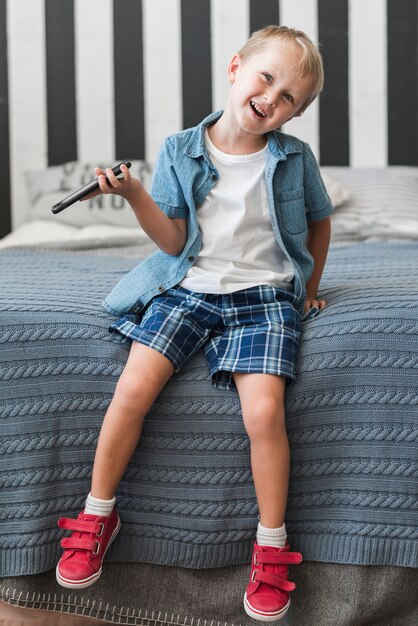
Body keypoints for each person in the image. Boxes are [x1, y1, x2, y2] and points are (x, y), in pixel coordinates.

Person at [56, 25, 332, 622]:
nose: (272, 98)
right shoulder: (181, 149)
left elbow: (319, 221)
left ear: (296, 113)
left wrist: (307, 290)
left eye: (289, 98)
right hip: (187, 290)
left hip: (261, 298)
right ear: (236, 68)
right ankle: (98, 514)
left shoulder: (293, 158)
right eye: (266, 78)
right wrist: (133, 196)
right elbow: (174, 239)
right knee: (132, 390)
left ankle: (271, 545)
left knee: (263, 413)